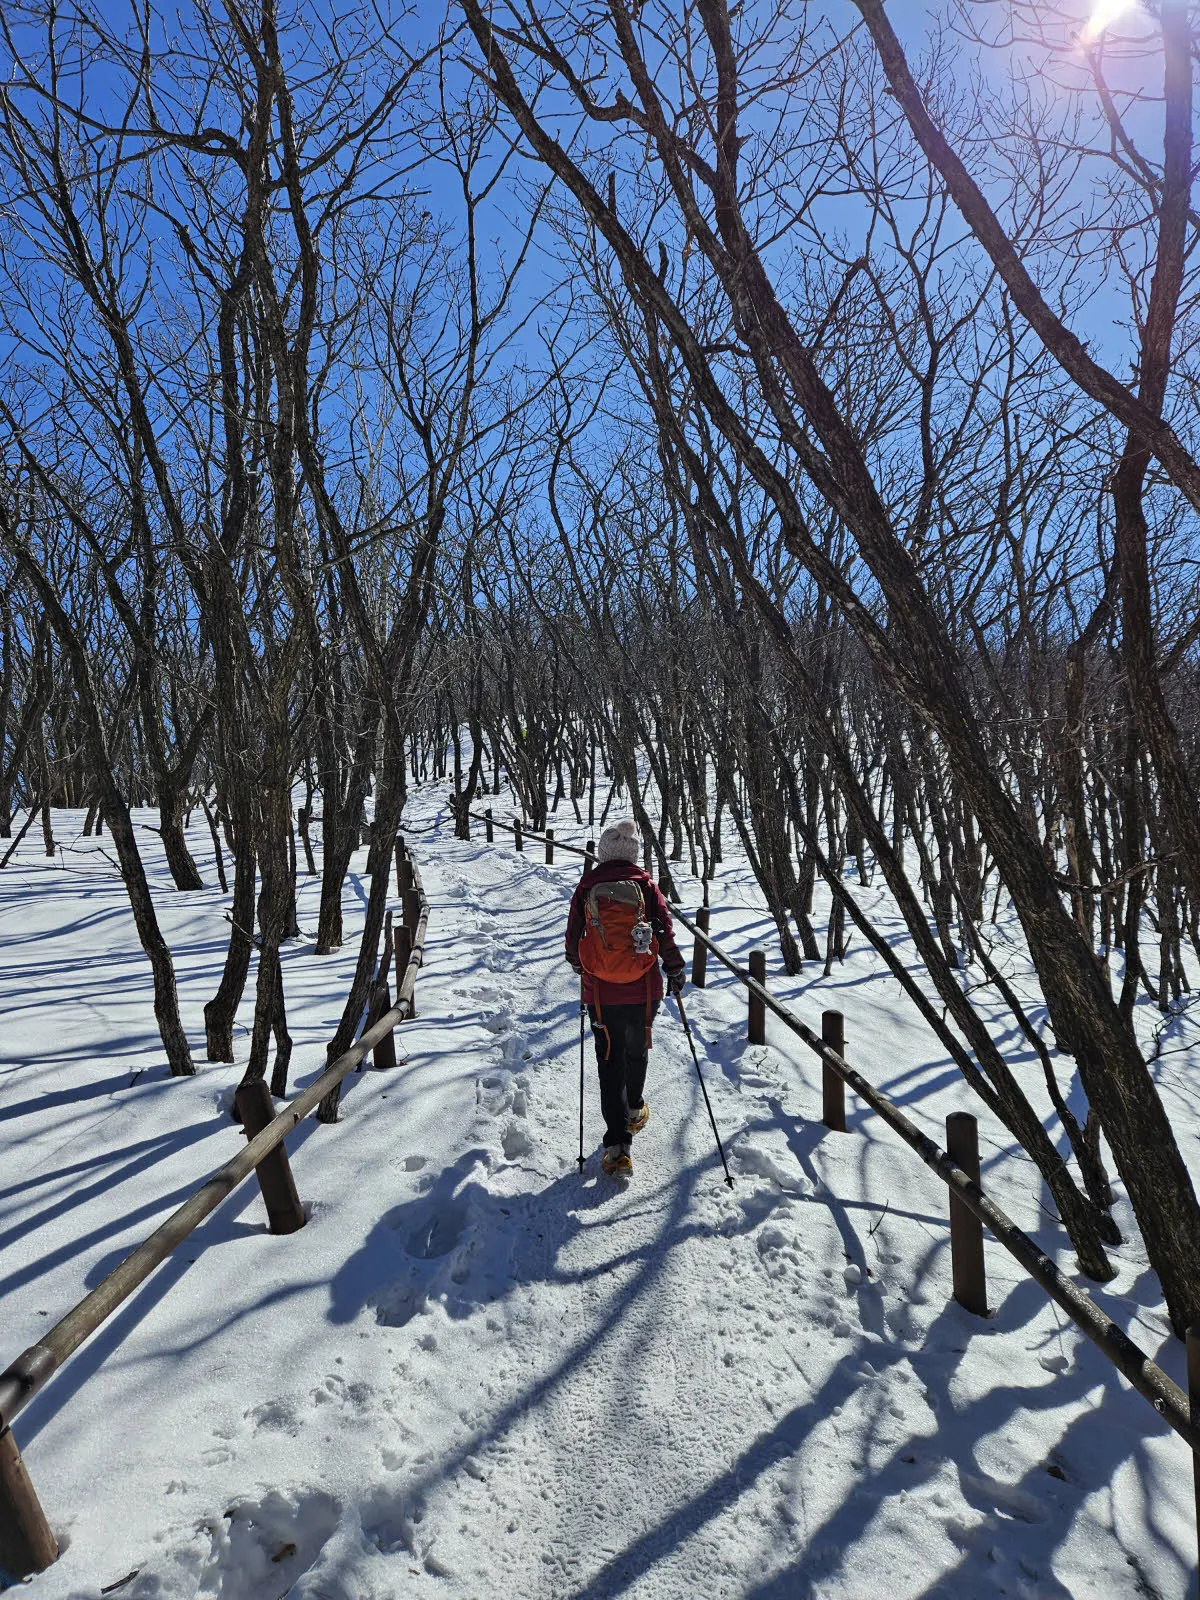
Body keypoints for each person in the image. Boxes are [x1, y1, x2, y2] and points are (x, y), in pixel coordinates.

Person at [565, 819, 685, 1177]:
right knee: (637, 1047)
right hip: (643, 988)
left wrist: (580, 966)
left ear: (603, 855)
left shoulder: (588, 886)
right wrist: (675, 969)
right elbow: (664, 930)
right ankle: (633, 1108)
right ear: (634, 855)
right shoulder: (646, 886)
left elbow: (573, 938)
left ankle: (617, 1147)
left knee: (609, 1059)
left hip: (601, 992)